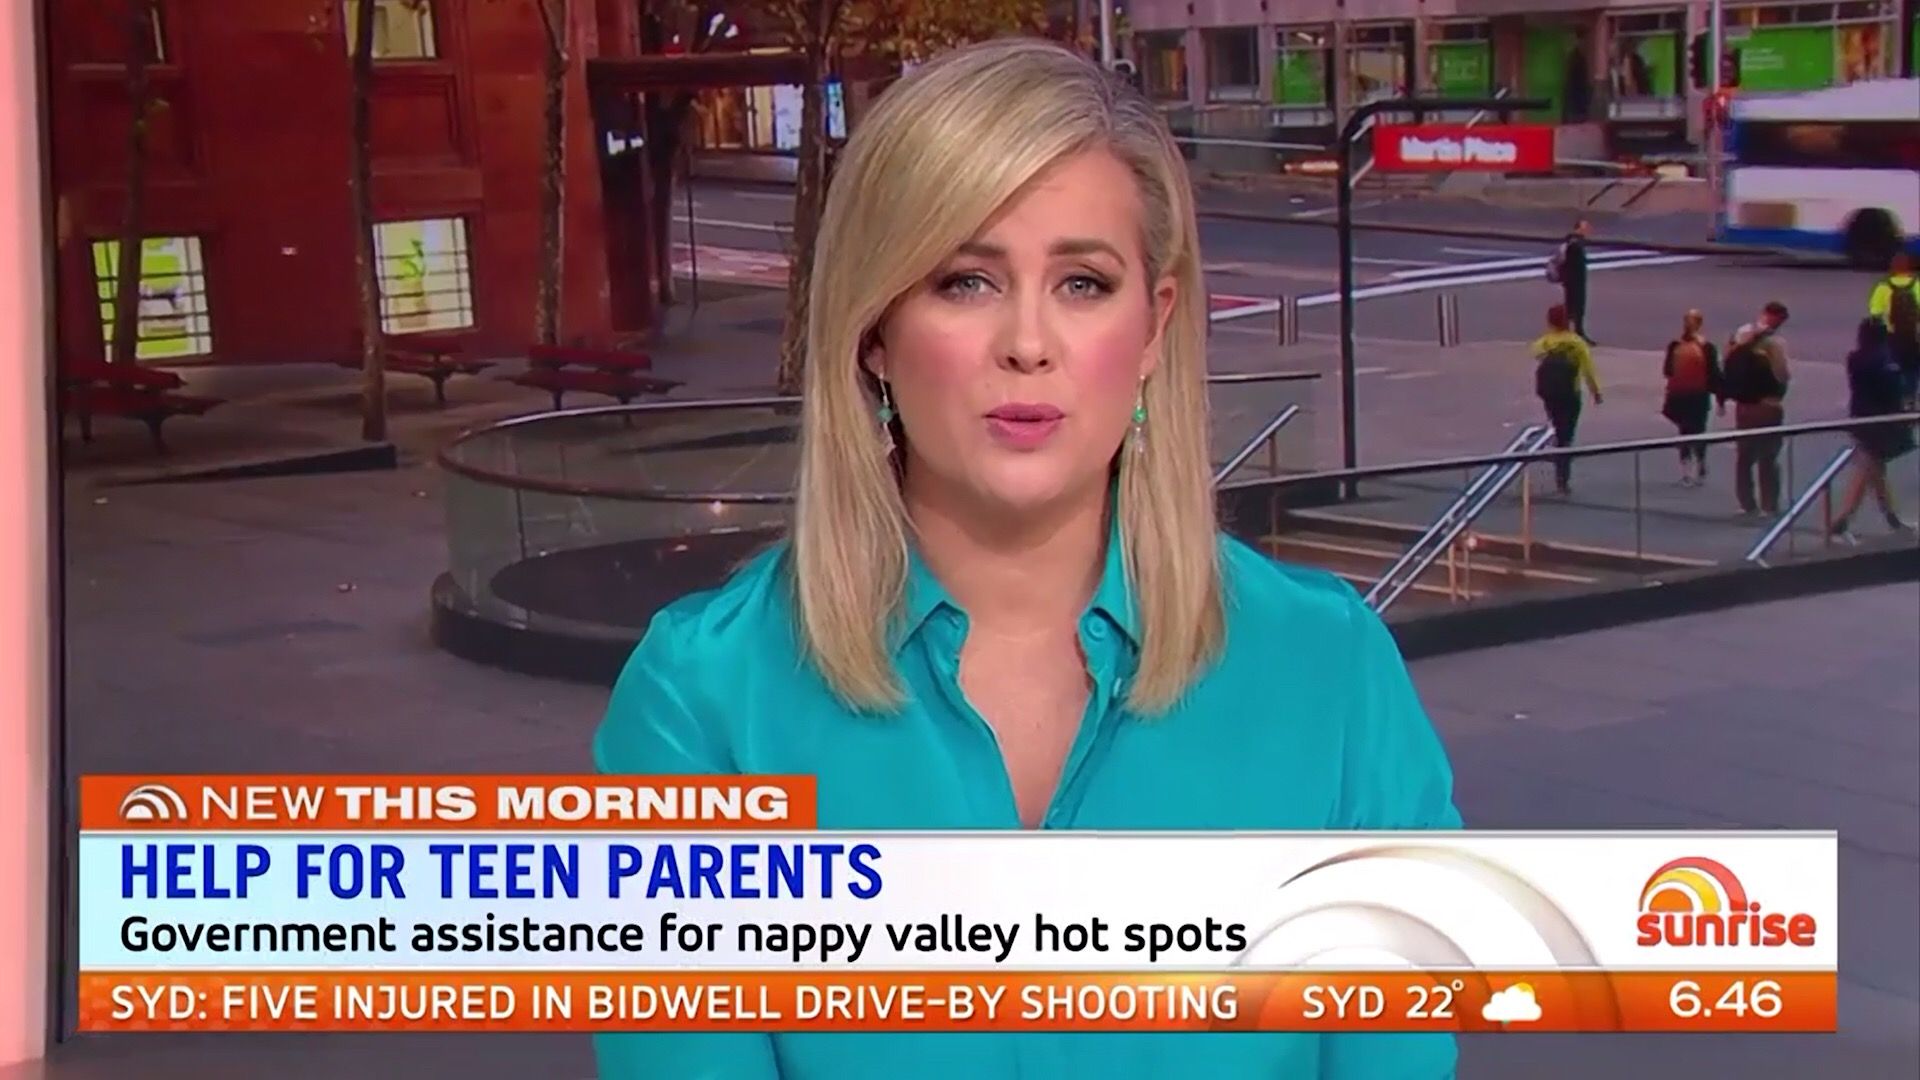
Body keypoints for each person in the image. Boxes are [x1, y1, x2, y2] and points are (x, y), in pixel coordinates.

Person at [592, 38, 1460, 1080]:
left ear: (1154, 328)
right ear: (874, 331)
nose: (1029, 342)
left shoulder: (1332, 677)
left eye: (1084, 282)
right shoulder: (702, 701)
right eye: (966, 281)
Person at [1830, 317, 1916, 541]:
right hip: (1879, 422)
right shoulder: (1884, 362)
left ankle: (1890, 518)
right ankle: (1842, 521)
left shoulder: (1855, 358)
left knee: (1874, 471)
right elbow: (1892, 391)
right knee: (1868, 470)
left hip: (1860, 418)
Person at [1722, 301, 1792, 517]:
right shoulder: (1774, 343)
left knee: (1744, 457)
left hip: (1744, 407)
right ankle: (1769, 505)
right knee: (1768, 457)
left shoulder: (1742, 334)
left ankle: (1746, 503)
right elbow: (1782, 375)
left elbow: (1727, 361)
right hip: (1768, 406)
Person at [1531, 303, 1603, 496]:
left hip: (1551, 394)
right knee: (1568, 434)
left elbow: (1535, 353)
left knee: (1558, 425)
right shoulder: (1577, 343)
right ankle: (1563, 476)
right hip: (1571, 393)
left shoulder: (1545, 343)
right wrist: (1596, 392)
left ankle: (1558, 451)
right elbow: (1588, 369)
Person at [1661, 309, 1722, 486]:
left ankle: (1689, 470)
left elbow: (1668, 371)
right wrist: (1720, 397)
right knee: (1697, 430)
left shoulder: (1676, 346)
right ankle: (1698, 464)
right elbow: (1714, 375)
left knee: (1685, 431)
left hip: (1682, 394)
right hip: (1697, 395)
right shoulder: (1707, 347)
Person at [1869, 252, 1920, 401]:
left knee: (1894, 365)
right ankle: (1910, 395)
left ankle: (1896, 396)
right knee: (1912, 366)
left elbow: (1875, 312)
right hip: (1913, 334)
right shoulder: (1916, 285)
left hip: (1892, 334)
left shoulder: (1883, 286)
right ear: (1909, 268)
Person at [1548, 219, 1593, 343]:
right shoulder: (1574, 242)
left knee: (1577, 308)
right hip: (1573, 281)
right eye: (1585, 227)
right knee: (1573, 308)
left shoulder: (1577, 241)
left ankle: (1577, 332)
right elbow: (1568, 262)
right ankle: (1569, 334)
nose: (1588, 230)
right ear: (1579, 228)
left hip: (1576, 280)